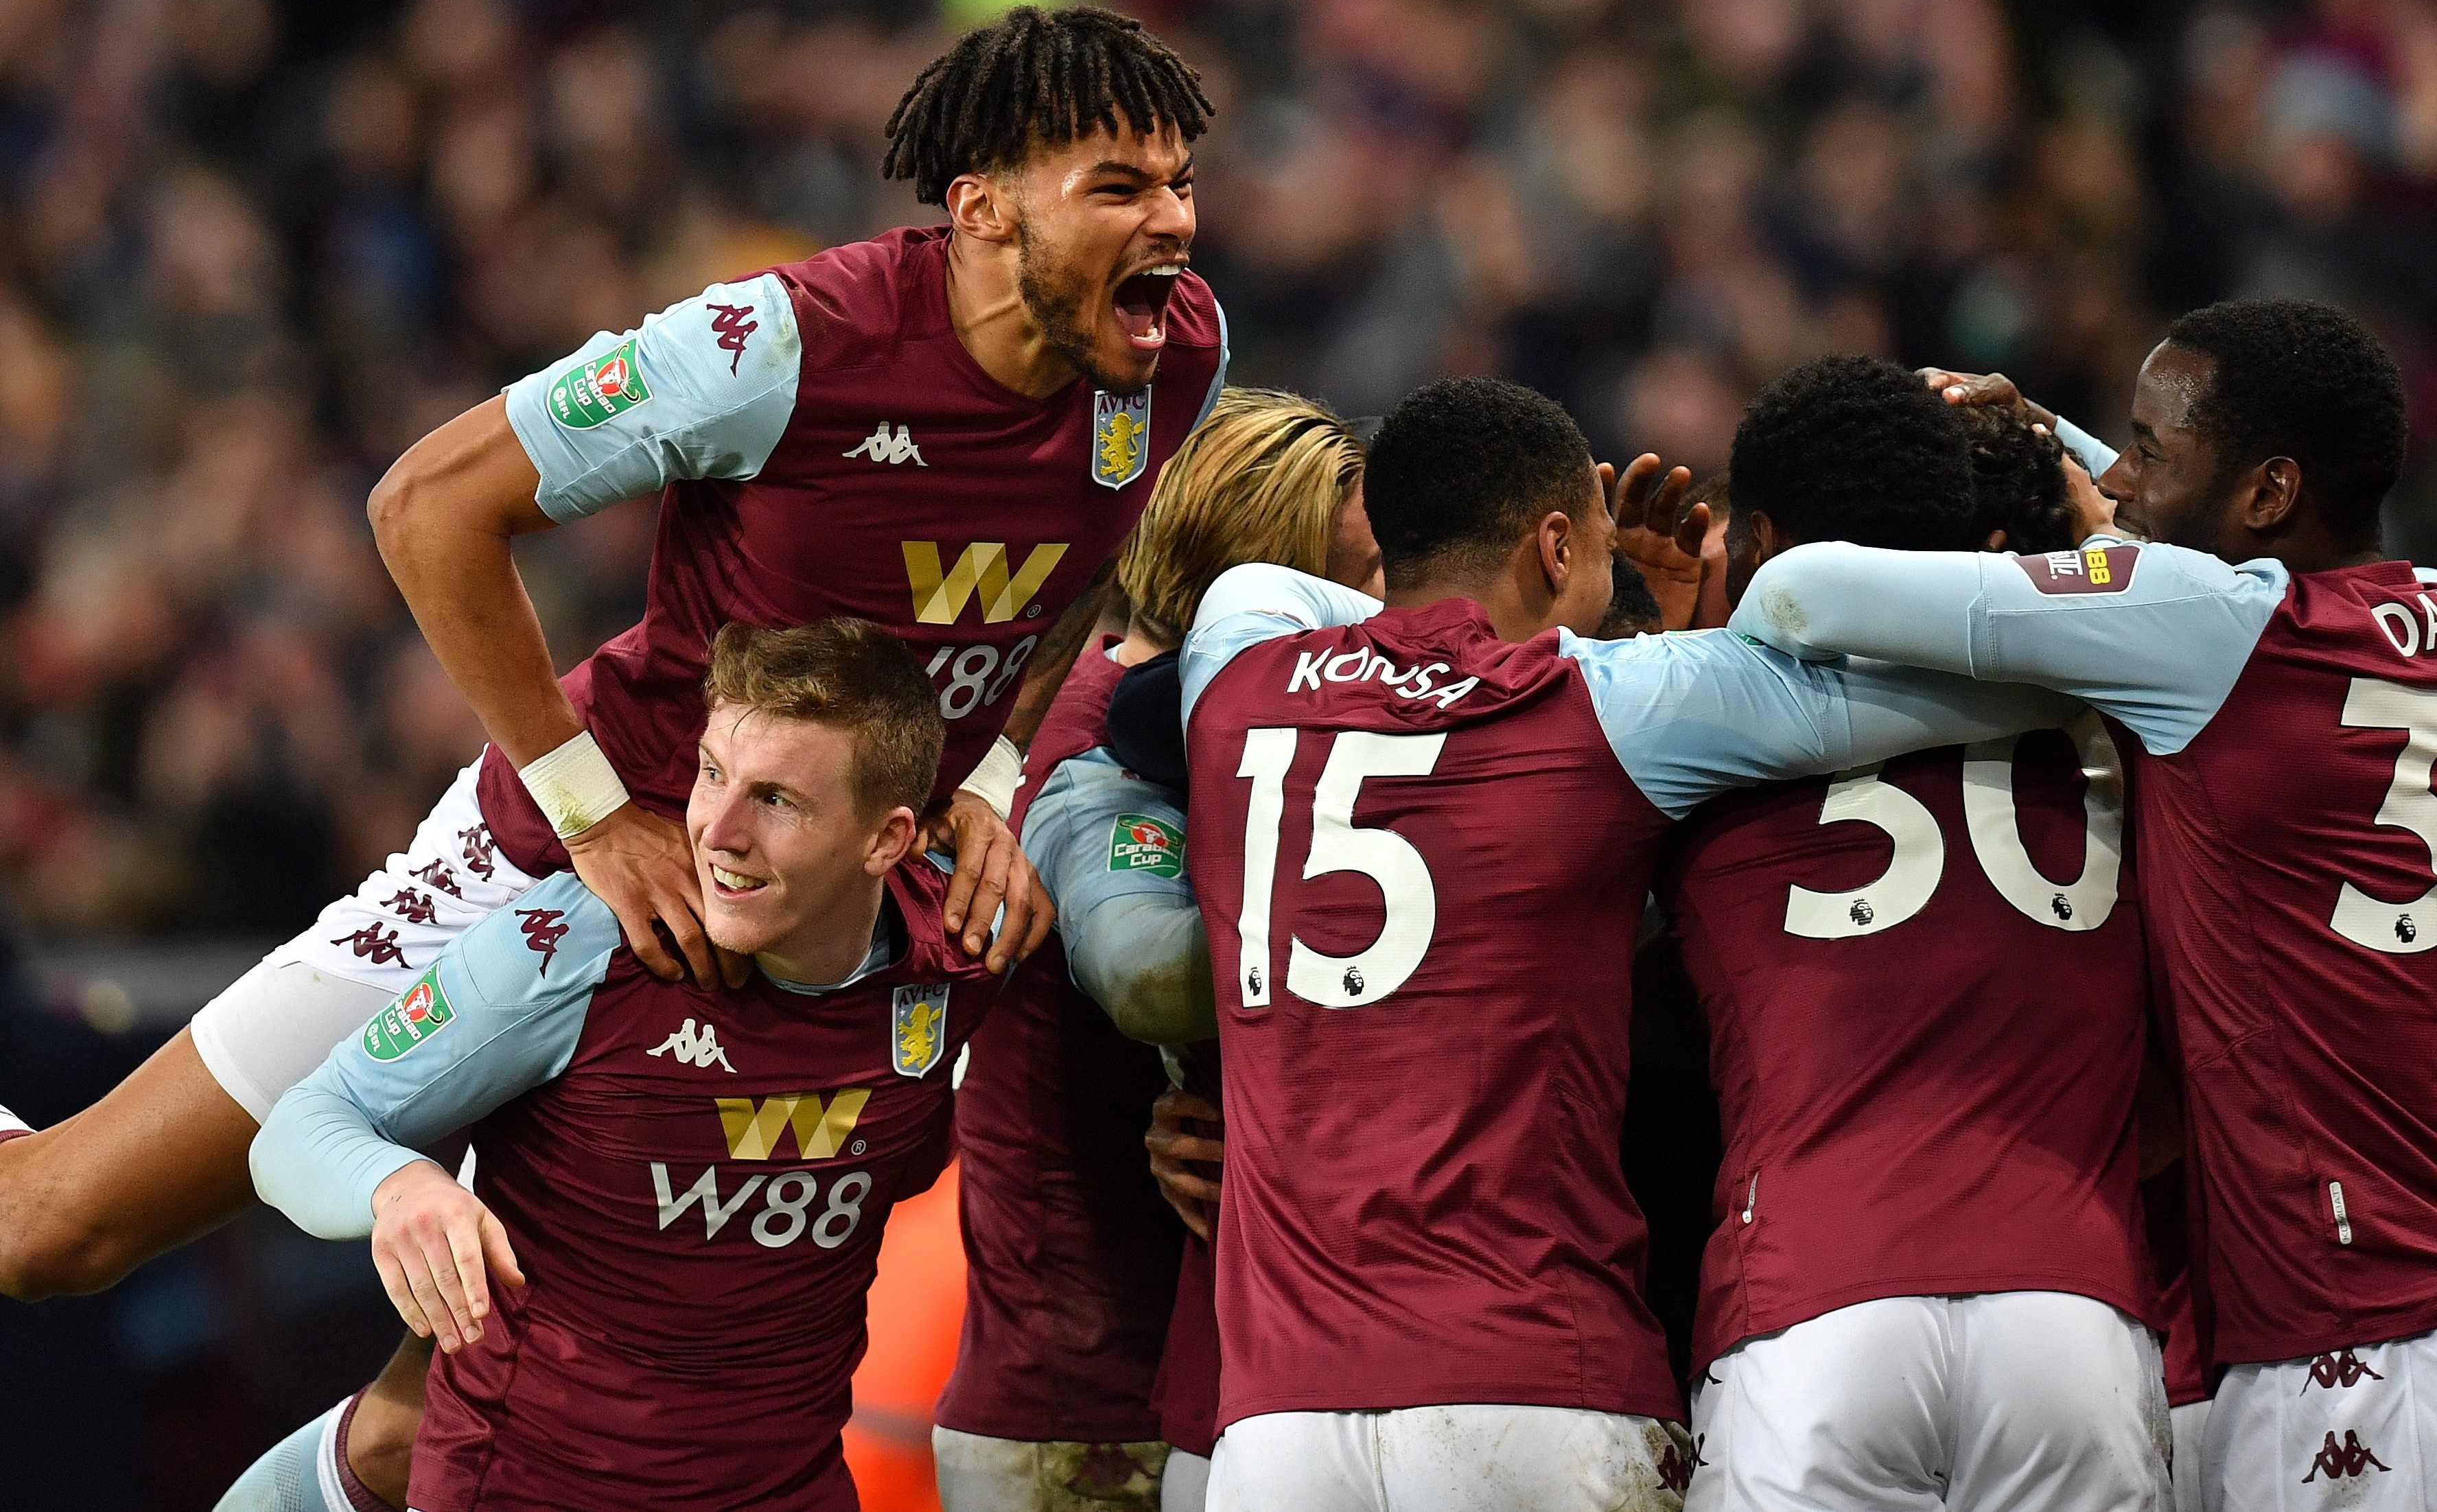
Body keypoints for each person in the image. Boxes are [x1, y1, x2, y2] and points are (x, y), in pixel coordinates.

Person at [0, 5, 1228, 1512]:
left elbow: (1078, 570)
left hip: (814, 889)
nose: (1173, 223)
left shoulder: (1169, 360)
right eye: (1119, 185)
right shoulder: (779, 343)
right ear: (981, 209)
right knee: (50, 1225)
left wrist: (989, 783)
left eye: (1180, 182)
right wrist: (594, 818)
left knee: (471, 1412)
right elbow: (427, 505)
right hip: (578, 865)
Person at [1737, 300, 2437, 1511]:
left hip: (2371, 1340)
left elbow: (1802, 591)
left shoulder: (2214, 631)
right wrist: (2054, 434)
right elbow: (2203, 549)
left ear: (2269, 491)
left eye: (2150, 450)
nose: (2121, 480)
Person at [1176, 377, 2072, 1512]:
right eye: (1601, 552)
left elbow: (1264, 591)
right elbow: (1986, 687)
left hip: (1279, 1424)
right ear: (1556, 547)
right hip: (1539, 1380)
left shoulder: (1235, 672)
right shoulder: (1607, 702)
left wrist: (1437, 626)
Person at [248, 618, 1007, 1511]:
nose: (718, 832)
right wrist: (396, 1186)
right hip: (523, 1492)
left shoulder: (967, 944)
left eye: (776, 800)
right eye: (712, 774)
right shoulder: (574, 945)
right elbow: (300, 1127)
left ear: (886, 840)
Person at [1660, 361, 2167, 1508]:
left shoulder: (1683, 720)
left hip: (1815, 1299)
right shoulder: (2126, 709)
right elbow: (2214, 585)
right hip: (2075, 1311)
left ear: (1761, 537)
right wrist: (2074, 460)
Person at [934, 389, 1377, 1512]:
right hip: (1086, 1408)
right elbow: (1150, 976)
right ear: (1265, 584)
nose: (1383, 608)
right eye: (1360, 574)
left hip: (1146, 1376)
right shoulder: (1110, 745)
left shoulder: (1147, 715)